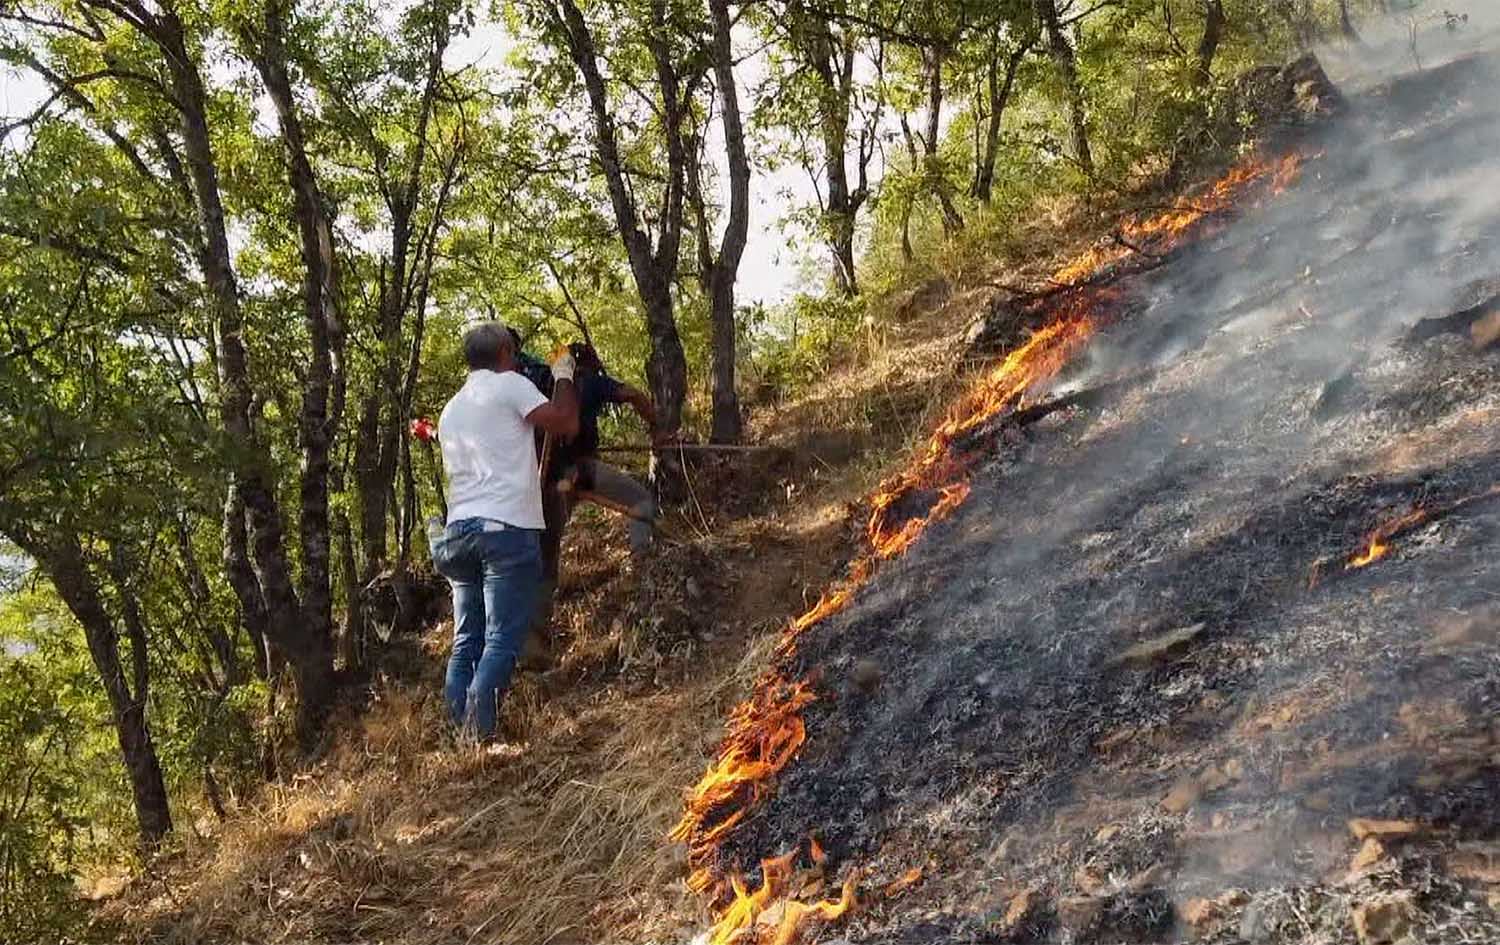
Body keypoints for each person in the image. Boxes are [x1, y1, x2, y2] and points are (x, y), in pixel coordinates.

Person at [433, 321, 578, 741]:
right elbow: (564, 422)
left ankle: (460, 738)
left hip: (457, 533)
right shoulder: (509, 385)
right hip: (503, 531)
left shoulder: (452, 408)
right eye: (512, 353)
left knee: (466, 643)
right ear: (503, 354)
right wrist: (564, 374)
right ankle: (478, 737)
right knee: (501, 641)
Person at [531, 343, 663, 649]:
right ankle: (644, 570)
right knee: (642, 502)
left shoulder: (539, 383)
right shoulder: (590, 379)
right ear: (588, 364)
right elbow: (633, 394)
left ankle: (533, 644)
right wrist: (656, 427)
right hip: (580, 472)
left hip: (545, 480)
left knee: (545, 557)